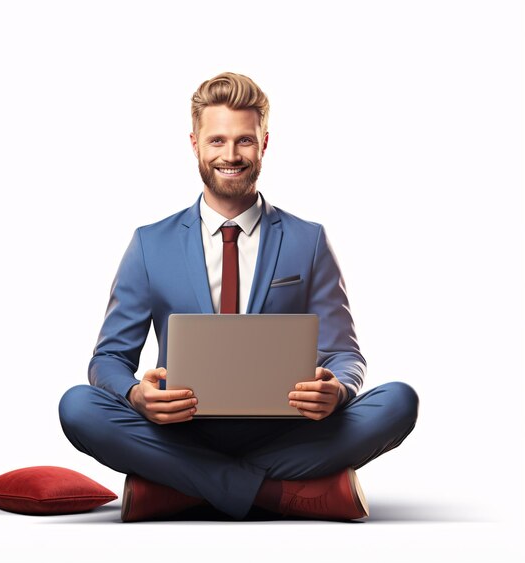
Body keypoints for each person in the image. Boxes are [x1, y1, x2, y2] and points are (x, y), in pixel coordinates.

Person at [59, 72, 418, 522]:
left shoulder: (308, 240)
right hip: (181, 431)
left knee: (399, 401)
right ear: (194, 143)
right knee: (78, 405)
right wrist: (135, 396)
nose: (230, 155)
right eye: (217, 141)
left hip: (287, 429)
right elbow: (108, 358)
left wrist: (339, 390)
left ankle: (180, 487)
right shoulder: (151, 243)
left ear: (265, 143)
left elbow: (344, 352)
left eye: (244, 141)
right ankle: (276, 492)